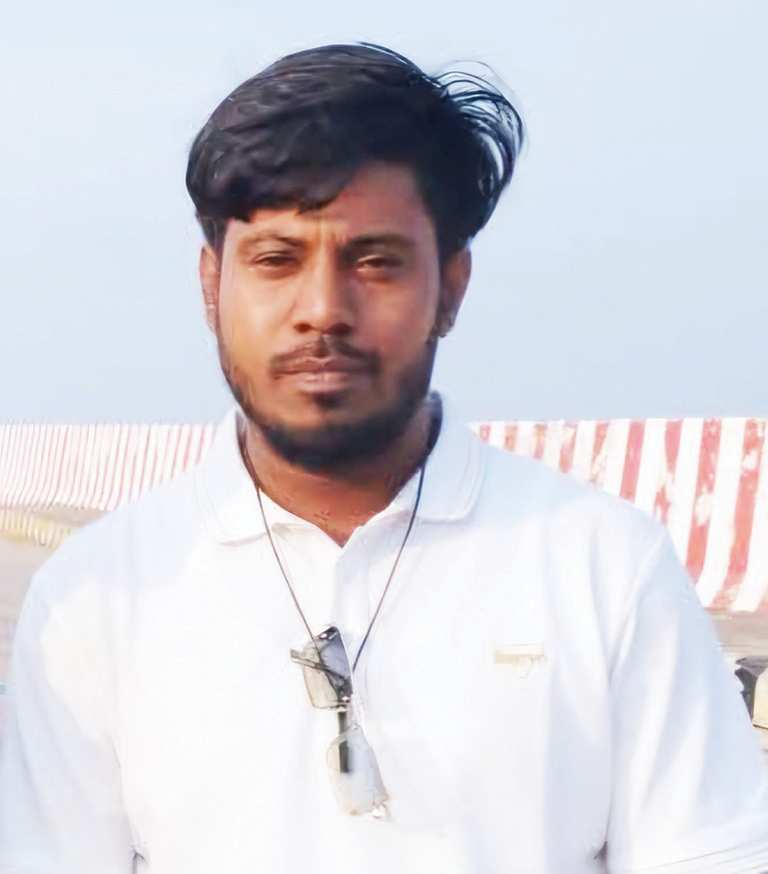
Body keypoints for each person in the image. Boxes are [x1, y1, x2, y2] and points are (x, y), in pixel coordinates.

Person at [1, 42, 767, 874]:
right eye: (276, 260)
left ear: (452, 288)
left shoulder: (606, 570)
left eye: (375, 262)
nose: (322, 310)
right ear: (212, 286)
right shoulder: (95, 597)